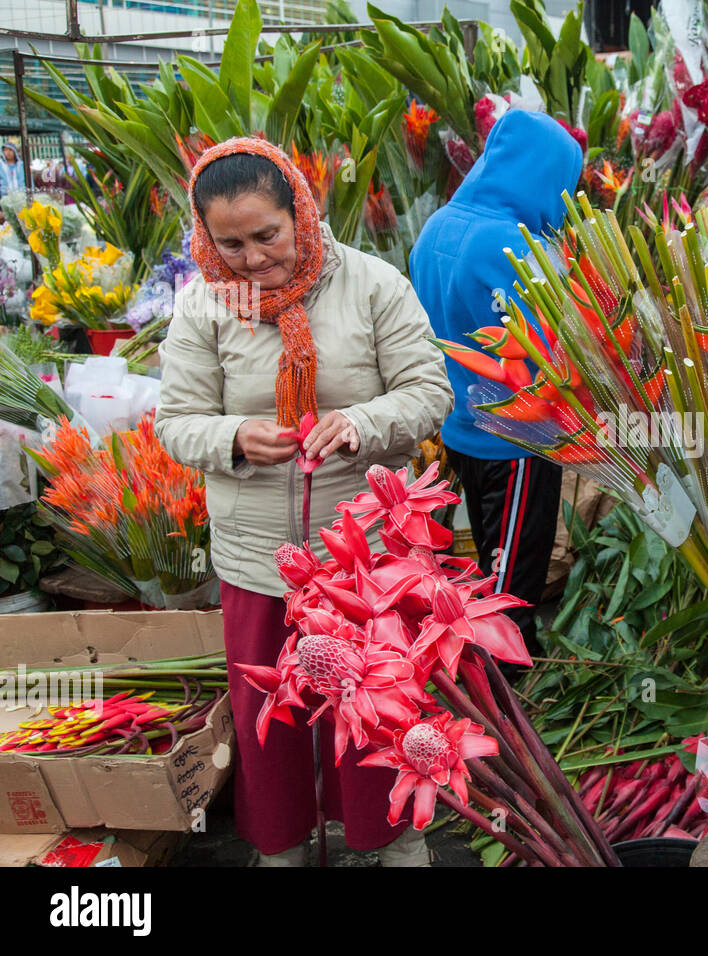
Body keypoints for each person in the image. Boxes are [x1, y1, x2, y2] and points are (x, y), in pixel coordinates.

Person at [154, 138, 453, 867]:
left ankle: (392, 838)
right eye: (230, 243)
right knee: (269, 720)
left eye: (267, 235)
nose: (252, 259)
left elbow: (430, 391)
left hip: (367, 555)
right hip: (260, 560)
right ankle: (280, 845)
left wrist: (362, 423)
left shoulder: (373, 285)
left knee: (376, 707)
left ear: (301, 210)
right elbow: (175, 422)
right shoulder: (203, 303)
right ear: (204, 236)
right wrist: (232, 436)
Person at [409, 110, 582, 660]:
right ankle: (505, 688)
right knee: (513, 581)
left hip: (461, 426)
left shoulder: (437, 225)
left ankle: (491, 663)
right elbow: (557, 341)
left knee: (491, 557)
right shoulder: (519, 247)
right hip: (517, 438)